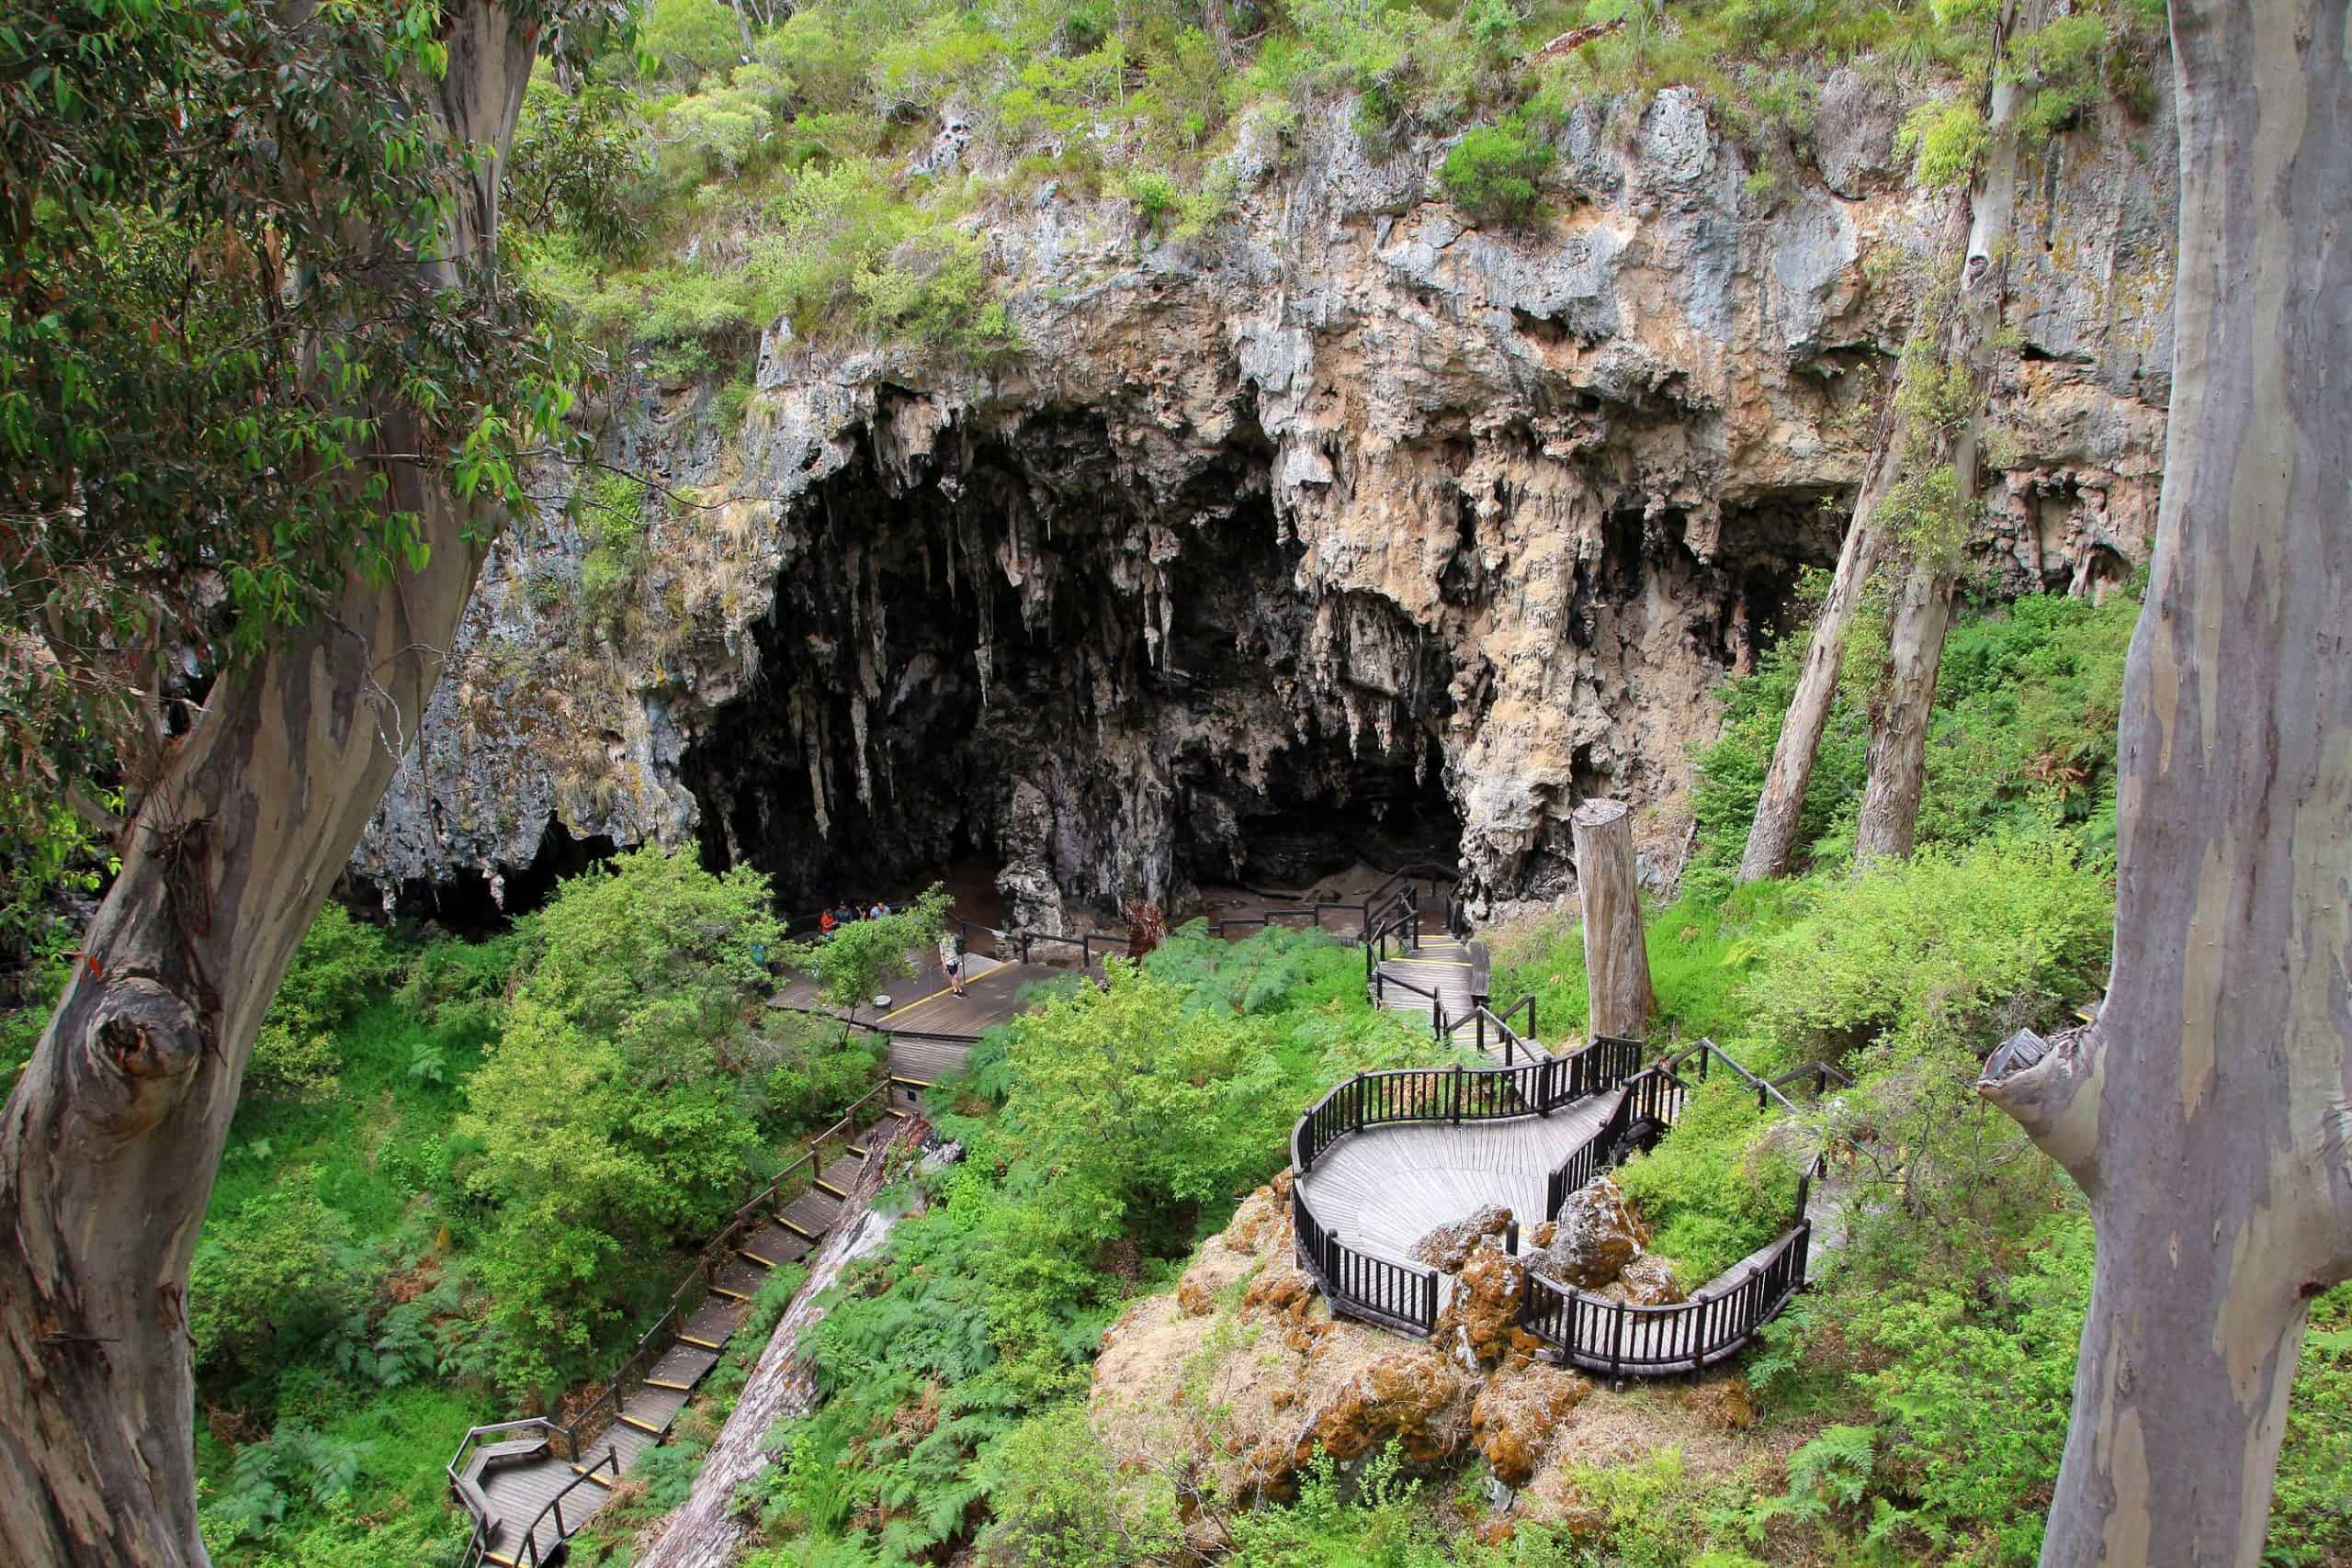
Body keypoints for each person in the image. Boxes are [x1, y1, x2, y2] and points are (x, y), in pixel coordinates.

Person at [940, 931, 966, 998]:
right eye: (947, 932)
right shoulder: (942, 942)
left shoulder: (952, 939)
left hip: (955, 960)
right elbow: (942, 955)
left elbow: (955, 950)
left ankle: (955, 991)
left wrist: (959, 960)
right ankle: (960, 991)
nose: (949, 933)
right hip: (949, 962)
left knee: (953, 977)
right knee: (955, 977)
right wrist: (944, 966)